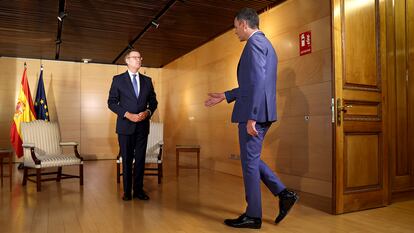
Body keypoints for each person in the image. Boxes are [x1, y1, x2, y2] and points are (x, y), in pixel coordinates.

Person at [204, 8, 298, 229]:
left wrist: (252, 117)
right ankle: (284, 194)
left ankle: (254, 215)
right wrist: (226, 95)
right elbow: (251, 84)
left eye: (235, 27)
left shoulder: (254, 44)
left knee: (249, 164)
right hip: (259, 111)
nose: (235, 31)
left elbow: (257, 83)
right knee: (250, 160)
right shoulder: (264, 44)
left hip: (255, 113)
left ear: (244, 24)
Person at [108, 49, 158, 201]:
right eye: (135, 57)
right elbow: (111, 102)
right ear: (127, 61)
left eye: (140, 57)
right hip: (125, 126)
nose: (138, 60)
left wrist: (148, 112)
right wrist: (127, 114)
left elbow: (153, 102)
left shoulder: (147, 81)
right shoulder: (118, 79)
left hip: (143, 127)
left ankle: (138, 190)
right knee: (127, 159)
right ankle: (127, 192)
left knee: (140, 159)